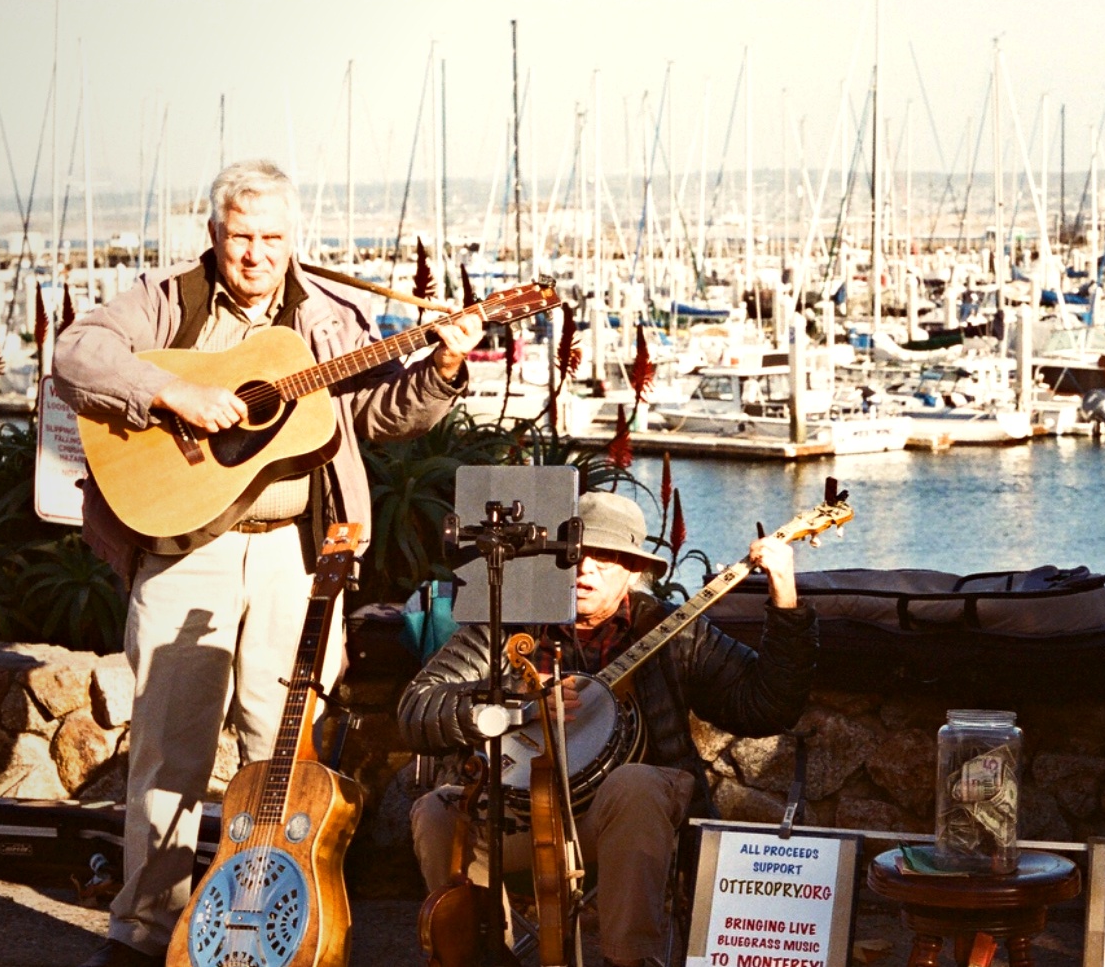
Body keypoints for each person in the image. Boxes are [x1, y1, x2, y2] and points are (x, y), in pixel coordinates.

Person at [51, 159, 484, 967]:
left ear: (295, 239)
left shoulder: (331, 318)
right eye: (241, 235)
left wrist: (446, 367)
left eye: (273, 237)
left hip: (296, 556)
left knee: (285, 751)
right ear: (214, 234)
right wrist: (169, 394)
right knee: (167, 751)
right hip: (186, 553)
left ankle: (271, 932)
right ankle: (143, 933)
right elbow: (77, 355)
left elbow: (384, 414)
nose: (256, 253)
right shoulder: (167, 300)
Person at [400, 491, 817, 967]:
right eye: (575, 555)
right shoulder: (508, 625)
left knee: (634, 784)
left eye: (607, 557)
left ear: (634, 570)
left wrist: (785, 599)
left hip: (617, 821)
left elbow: (768, 707)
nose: (585, 570)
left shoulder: (671, 630)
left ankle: (629, 960)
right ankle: (487, 952)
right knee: (436, 811)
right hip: (515, 818)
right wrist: (516, 704)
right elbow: (416, 708)